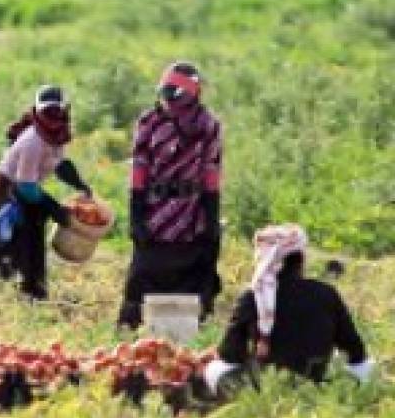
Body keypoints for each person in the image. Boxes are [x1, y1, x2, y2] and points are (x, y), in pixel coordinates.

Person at [118, 62, 224, 329]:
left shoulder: (208, 125)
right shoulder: (149, 122)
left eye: (175, 96)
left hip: (191, 214)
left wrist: (211, 219)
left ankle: (187, 336)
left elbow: (211, 173)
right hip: (155, 213)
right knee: (143, 273)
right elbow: (139, 170)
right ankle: (130, 335)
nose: (169, 103)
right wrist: (136, 216)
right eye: (165, 95)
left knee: (194, 274)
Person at [204, 225, 372, 389]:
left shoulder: (253, 296)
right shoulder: (326, 293)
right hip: (313, 384)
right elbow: (356, 352)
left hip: (264, 386)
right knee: (366, 366)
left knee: (214, 369)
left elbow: (229, 354)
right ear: (301, 259)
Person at [0, 86, 93, 299]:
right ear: (37, 113)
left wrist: (79, 183)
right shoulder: (33, 142)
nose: (52, 118)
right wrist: (55, 208)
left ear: (65, 112)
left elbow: (59, 163)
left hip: (27, 193)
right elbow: (26, 188)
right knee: (15, 247)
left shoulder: (58, 135)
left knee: (35, 243)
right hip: (10, 195)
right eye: (47, 113)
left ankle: (36, 291)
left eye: (57, 112)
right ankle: (14, 297)